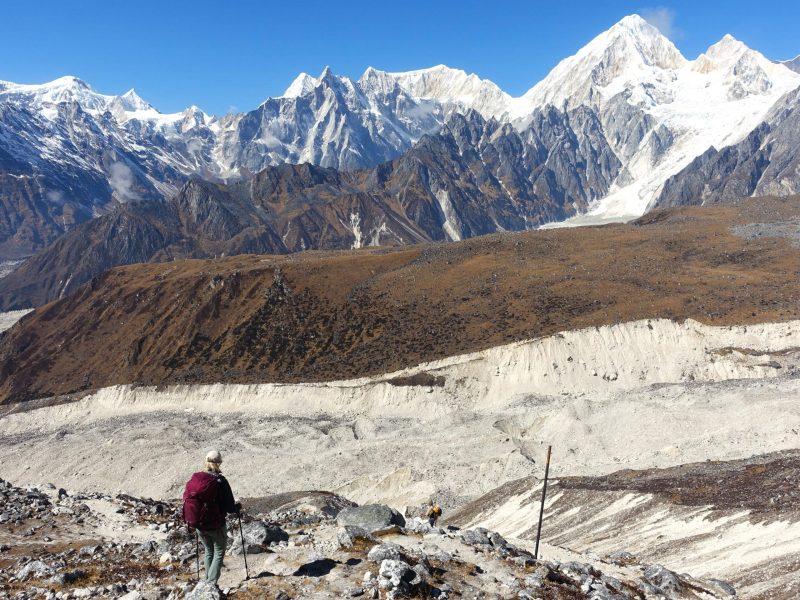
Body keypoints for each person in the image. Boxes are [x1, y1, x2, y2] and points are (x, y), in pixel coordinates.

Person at [182, 450, 241, 585]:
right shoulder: (220, 481)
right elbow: (229, 507)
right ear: (219, 462)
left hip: (199, 524)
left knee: (209, 551)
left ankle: (206, 580)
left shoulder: (197, 479)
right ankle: (211, 583)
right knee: (219, 551)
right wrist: (237, 508)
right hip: (216, 524)